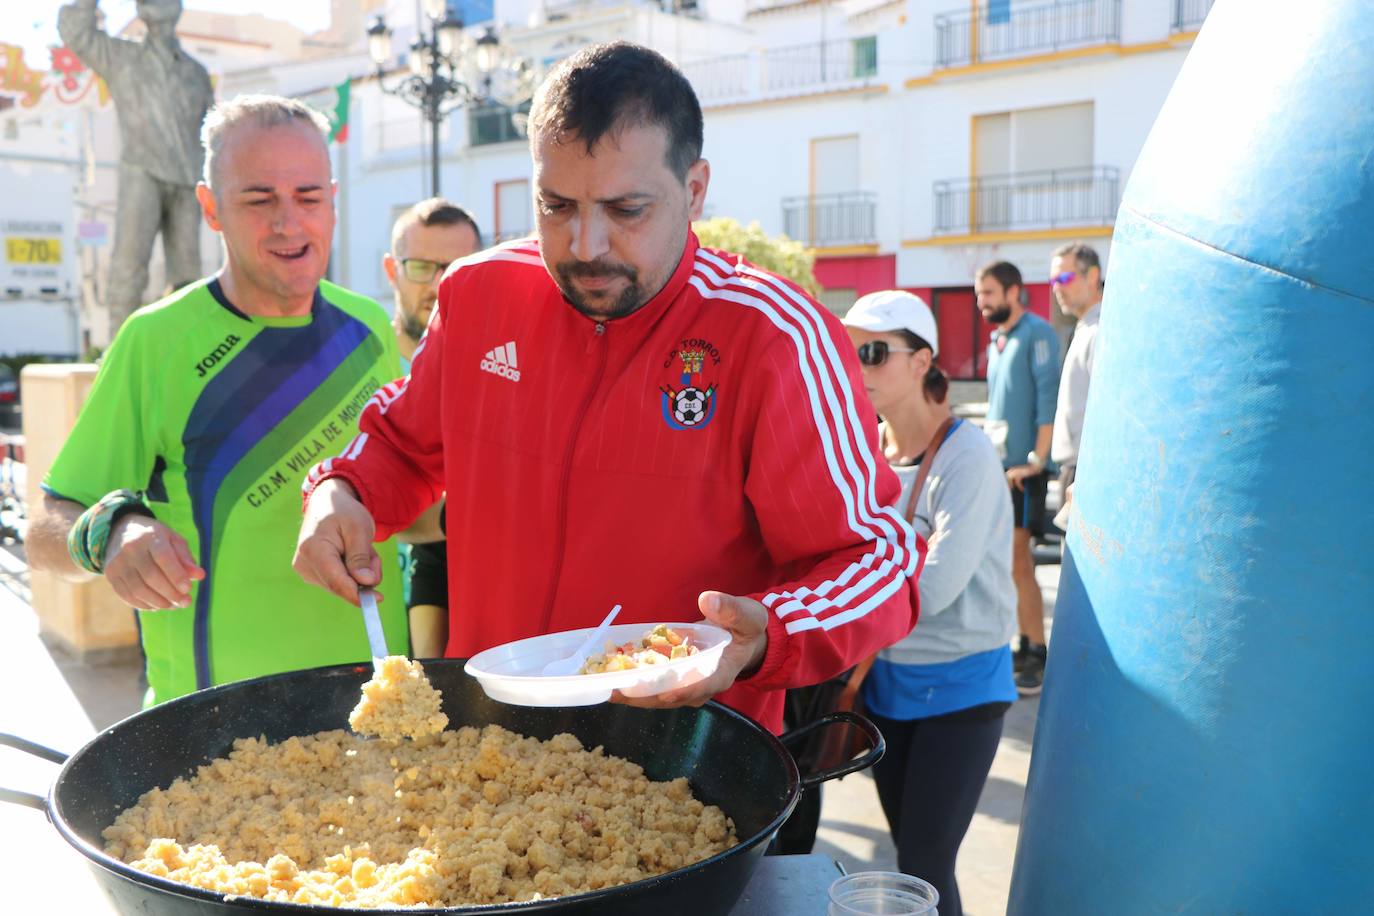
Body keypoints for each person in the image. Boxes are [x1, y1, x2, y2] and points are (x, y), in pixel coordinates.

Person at [293, 41, 921, 733]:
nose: (586, 244)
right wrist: (337, 493)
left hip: (684, 768)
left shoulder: (777, 339)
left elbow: (876, 559)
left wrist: (769, 631)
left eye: (626, 210)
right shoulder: (477, 294)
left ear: (696, 189)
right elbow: (400, 449)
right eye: (555, 205)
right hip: (486, 754)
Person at [27, 95, 408, 705]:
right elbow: (44, 530)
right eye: (259, 200)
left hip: (375, 714)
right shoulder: (154, 341)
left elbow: (409, 504)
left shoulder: (370, 330)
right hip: (212, 733)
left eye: (308, 197)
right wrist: (114, 531)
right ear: (211, 208)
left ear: (333, 201)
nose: (288, 222)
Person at [842, 289, 1016, 916]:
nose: (855, 367)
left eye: (873, 353)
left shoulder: (966, 456)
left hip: (963, 689)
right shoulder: (865, 454)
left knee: (925, 859)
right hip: (888, 683)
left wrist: (841, 608)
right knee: (909, 858)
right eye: (847, 351)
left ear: (922, 362)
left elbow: (935, 589)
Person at [59, 0, 215, 333]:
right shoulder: (122, 57)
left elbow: (211, 135)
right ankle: (118, 354)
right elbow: (75, 31)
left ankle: (186, 353)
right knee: (128, 269)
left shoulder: (196, 74)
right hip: (141, 172)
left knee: (188, 275)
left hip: (188, 180)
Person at [381, 198, 482, 658]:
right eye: (422, 266)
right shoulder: (365, 363)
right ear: (391, 270)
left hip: (457, 633)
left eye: (458, 266)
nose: (440, 283)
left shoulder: (494, 375)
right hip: (368, 622)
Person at [976, 260, 1059, 695]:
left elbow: (1049, 401)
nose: (981, 302)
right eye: (978, 294)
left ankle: (1037, 651)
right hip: (997, 468)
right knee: (1007, 562)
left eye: (988, 293)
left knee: (1018, 559)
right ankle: (1023, 641)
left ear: (1012, 292)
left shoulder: (1038, 334)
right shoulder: (998, 340)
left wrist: (1037, 459)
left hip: (1024, 471)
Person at [1048, 241, 1104, 519]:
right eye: (1053, 280)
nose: (1057, 287)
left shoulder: (1100, 330)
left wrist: (1088, 478)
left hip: (1083, 472)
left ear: (1092, 276)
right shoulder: (1086, 328)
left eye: (1065, 278)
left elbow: (1108, 412)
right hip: (1075, 469)